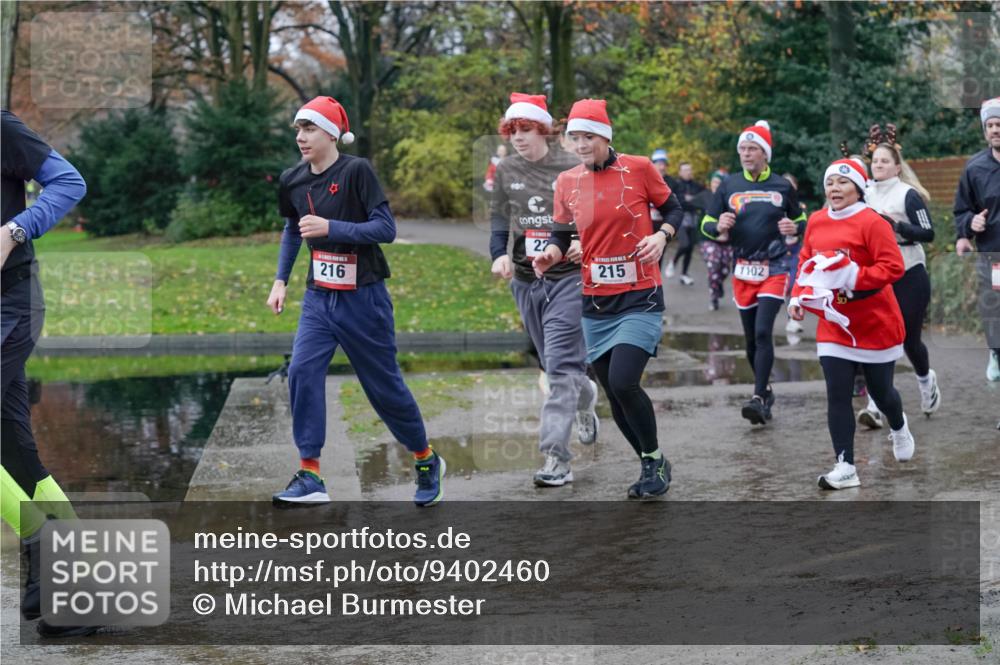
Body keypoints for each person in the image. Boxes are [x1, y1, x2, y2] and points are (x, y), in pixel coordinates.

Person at [266, 96, 444, 507]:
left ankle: (425, 459)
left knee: (384, 388)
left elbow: (386, 229)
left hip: (364, 298)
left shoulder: (356, 171)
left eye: (308, 129)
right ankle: (310, 475)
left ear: (332, 133)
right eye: (297, 130)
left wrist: (332, 227)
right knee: (302, 373)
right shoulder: (292, 179)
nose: (300, 137)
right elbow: (294, 230)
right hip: (318, 298)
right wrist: (280, 281)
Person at [533, 99, 684, 500]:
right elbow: (561, 234)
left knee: (623, 380)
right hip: (596, 300)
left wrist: (661, 235)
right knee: (614, 391)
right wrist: (550, 254)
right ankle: (651, 460)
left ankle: (652, 459)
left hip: (640, 293)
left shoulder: (638, 168)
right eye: (575, 138)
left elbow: (674, 208)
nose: (581, 144)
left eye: (588, 137)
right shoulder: (567, 182)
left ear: (605, 136)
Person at [1, 110, 94, 637]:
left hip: (10, 304)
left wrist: (15, 229)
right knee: (15, 450)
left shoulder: (2, 129)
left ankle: (42, 545)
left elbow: (69, 181)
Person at [488, 92, 599, 487]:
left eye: (524, 128)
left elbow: (594, 217)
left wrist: (583, 243)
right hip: (524, 280)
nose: (517, 136)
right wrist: (498, 255)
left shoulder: (573, 166)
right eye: (512, 129)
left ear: (543, 129)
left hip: (567, 279)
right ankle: (586, 397)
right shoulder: (505, 169)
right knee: (558, 368)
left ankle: (556, 457)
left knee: (559, 369)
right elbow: (500, 218)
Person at [789, 158, 915, 489]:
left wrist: (854, 275)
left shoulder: (872, 222)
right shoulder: (816, 220)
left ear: (859, 189)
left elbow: (893, 268)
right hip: (835, 323)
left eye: (843, 183)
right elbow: (806, 262)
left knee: (882, 392)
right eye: (830, 182)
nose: (835, 188)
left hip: (875, 321)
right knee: (838, 394)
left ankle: (899, 426)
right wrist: (798, 297)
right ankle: (845, 466)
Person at [700, 121, 807, 425]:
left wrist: (795, 227)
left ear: (765, 154)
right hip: (742, 267)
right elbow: (705, 225)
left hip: (774, 266)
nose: (746, 154)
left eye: (752, 149)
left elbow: (801, 219)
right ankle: (767, 390)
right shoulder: (729, 186)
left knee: (763, 332)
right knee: (750, 339)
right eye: (743, 149)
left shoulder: (782, 186)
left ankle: (758, 396)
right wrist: (718, 226)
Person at [856, 134, 941, 427]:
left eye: (884, 161)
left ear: (896, 167)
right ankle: (875, 405)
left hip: (909, 271)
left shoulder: (907, 194)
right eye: (875, 161)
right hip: (878, 273)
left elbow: (928, 232)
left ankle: (926, 380)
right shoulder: (864, 193)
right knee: (877, 337)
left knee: (908, 339)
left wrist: (898, 226)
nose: (878, 165)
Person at [955, 97, 1000, 387]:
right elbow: (962, 209)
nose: (995, 130)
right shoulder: (975, 169)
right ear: (985, 132)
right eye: (991, 126)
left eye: (999, 124)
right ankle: (996, 352)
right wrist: (967, 227)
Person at [664, 161, 705, 286]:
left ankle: (684, 275)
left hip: (693, 219)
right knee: (684, 244)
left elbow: (701, 200)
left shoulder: (696, 186)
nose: (688, 172)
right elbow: (679, 202)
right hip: (680, 218)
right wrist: (691, 201)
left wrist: (692, 202)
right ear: (680, 172)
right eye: (685, 170)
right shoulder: (676, 185)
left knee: (690, 248)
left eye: (690, 170)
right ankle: (673, 262)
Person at [699, 169, 734, 310]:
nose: (715, 185)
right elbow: (684, 204)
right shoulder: (705, 197)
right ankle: (713, 298)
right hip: (709, 241)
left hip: (728, 242)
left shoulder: (732, 200)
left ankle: (718, 286)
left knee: (725, 270)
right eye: (714, 182)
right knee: (713, 266)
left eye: (718, 183)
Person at [781, 172, 806, 335]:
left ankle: (792, 320)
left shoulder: (800, 207)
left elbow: (805, 227)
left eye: (791, 185)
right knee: (782, 287)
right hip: (779, 252)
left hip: (796, 250)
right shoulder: (773, 206)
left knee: (793, 285)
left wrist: (797, 228)